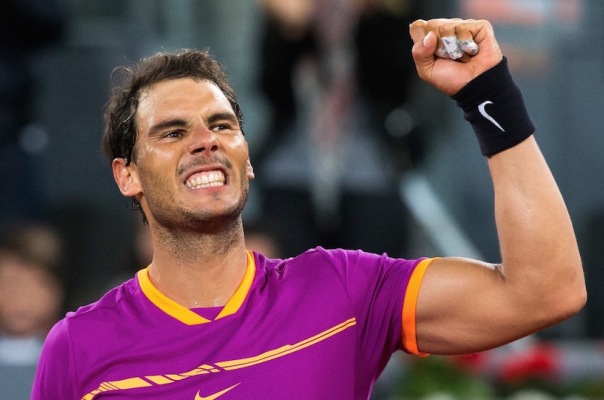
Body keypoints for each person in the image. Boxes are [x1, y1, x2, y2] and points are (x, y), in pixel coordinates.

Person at [31, 18, 586, 399]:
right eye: (172, 132)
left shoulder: (341, 290)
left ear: (248, 158)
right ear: (126, 175)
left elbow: (547, 290)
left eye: (222, 125)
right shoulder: (79, 348)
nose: (205, 141)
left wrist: (489, 96)